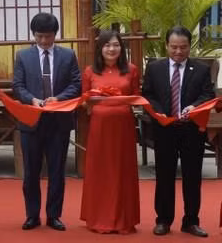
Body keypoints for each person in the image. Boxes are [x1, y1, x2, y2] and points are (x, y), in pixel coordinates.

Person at [142, 26, 214, 237]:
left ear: (189, 47)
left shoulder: (200, 69)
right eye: (174, 47)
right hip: (165, 129)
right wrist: (158, 112)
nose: (178, 52)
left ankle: (191, 221)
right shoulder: (155, 68)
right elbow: (148, 95)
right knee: (164, 175)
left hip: (192, 130)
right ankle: (163, 220)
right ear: (166, 46)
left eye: (183, 47)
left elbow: (208, 95)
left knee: (192, 177)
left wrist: (195, 106)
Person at [12, 12, 80, 231]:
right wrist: (31, 99)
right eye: (39, 36)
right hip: (31, 121)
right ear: (33, 35)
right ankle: (32, 215)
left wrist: (58, 99)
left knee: (57, 171)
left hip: (58, 122)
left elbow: (76, 84)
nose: (43, 41)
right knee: (31, 171)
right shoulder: (22, 56)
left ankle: (54, 215)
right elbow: (17, 86)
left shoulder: (68, 56)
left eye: (48, 36)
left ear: (55, 35)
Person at [80, 30, 140, 233]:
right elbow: (84, 101)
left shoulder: (131, 70)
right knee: (101, 171)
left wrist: (116, 99)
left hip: (123, 128)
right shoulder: (90, 71)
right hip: (100, 128)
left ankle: (123, 218)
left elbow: (136, 98)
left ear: (121, 48)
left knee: (122, 171)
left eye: (115, 45)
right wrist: (97, 99)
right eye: (107, 45)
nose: (112, 49)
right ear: (100, 48)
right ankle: (100, 218)